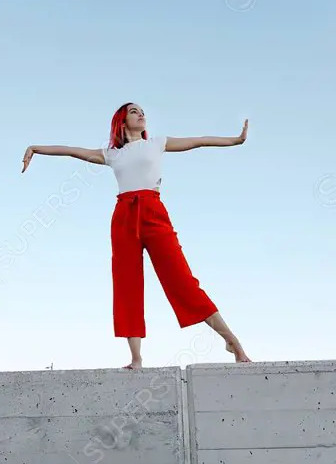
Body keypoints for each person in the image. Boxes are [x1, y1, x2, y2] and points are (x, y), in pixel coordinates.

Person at [21, 102, 252, 370]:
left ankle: (232, 341)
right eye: (134, 111)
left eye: (142, 111)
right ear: (121, 121)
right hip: (124, 217)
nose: (141, 114)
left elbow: (198, 141)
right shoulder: (112, 154)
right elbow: (73, 151)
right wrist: (35, 148)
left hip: (154, 212)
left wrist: (235, 140)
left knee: (182, 280)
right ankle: (136, 358)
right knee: (126, 284)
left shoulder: (156, 143)